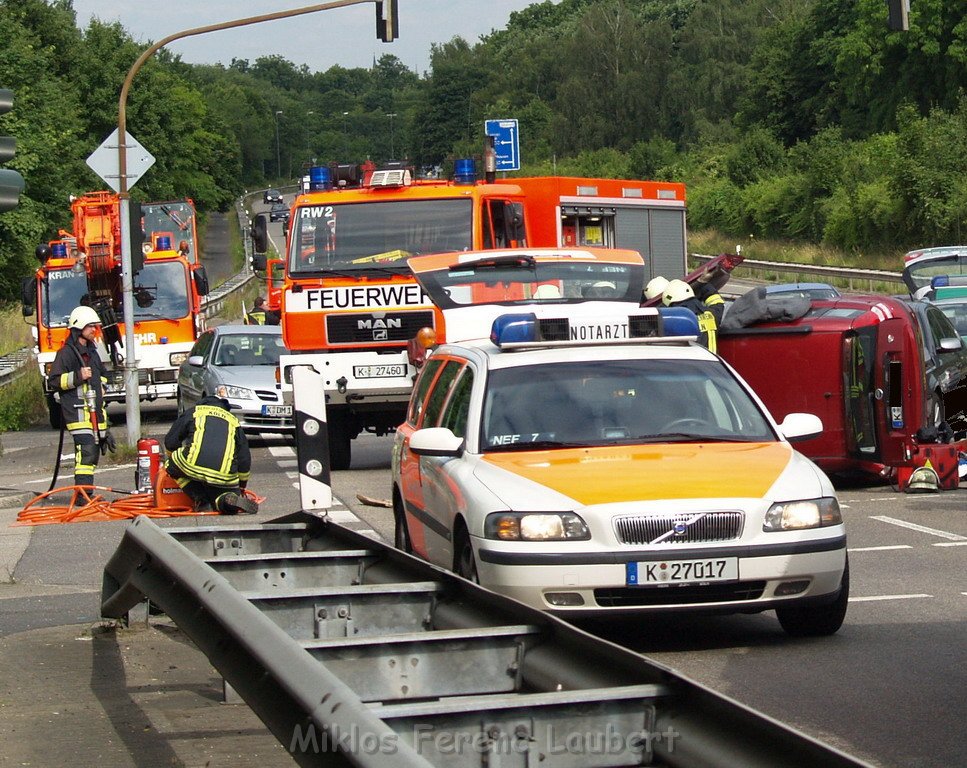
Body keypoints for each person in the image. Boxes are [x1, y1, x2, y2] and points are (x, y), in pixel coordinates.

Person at [46, 306, 115, 487]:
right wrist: (78, 376)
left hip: (95, 414)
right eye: (91, 326)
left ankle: (86, 492)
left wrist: (103, 386)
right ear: (79, 327)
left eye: (95, 326)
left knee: (92, 455)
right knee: (86, 452)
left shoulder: (92, 351)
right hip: (77, 414)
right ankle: (84, 495)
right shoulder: (67, 353)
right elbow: (53, 381)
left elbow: (103, 375)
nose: (94, 330)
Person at [164, 395, 258, 514]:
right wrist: (241, 486)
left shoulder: (194, 412)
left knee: (169, 465)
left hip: (192, 465)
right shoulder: (232, 420)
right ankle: (226, 501)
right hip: (225, 474)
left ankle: (202, 501)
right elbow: (244, 457)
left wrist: (174, 461)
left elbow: (170, 442)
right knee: (223, 496)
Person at [662, 279, 721, 352]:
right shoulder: (712, 314)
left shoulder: (676, 321)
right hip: (712, 362)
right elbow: (717, 301)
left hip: (689, 362)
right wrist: (703, 283)